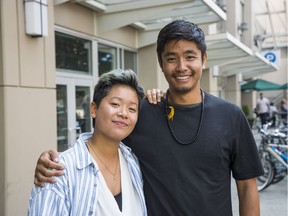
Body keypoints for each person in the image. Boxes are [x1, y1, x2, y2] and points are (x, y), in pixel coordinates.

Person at [33, 20, 263, 216]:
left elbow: (246, 187)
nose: (181, 66)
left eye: (190, 56)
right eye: (171, 58)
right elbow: (101, 143)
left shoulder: (230, 115)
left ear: (203, 59)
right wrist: (54, 160)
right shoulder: (142, 112)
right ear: (161, 64)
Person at [28, 69, 147, 216]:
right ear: (93, 109)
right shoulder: (58, 170)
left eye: (132, 109)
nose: (123, 113)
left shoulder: (132, 162)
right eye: (115, 104)